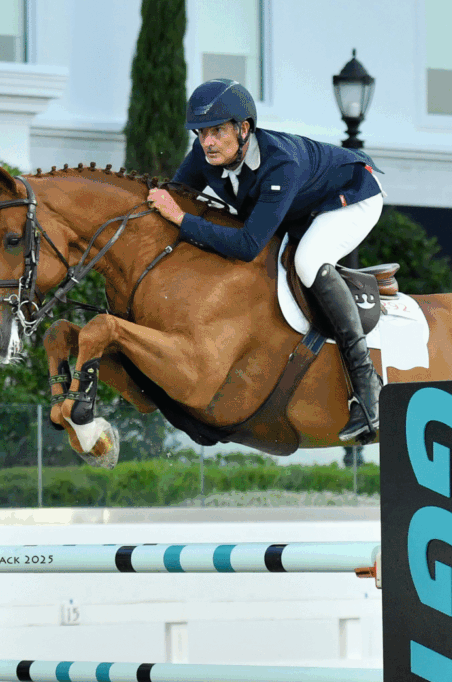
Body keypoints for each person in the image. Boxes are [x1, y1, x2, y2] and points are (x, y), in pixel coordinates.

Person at [145, 79, 385, 444]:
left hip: (353, 195)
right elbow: (174, 199)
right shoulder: (204, 155)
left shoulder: (280, 163)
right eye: (200, 133)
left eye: (216, 131)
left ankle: (368, 390)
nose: (206, 141)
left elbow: (246, 245)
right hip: (301, 208)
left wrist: (181, 220)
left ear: (243, 130)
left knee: (307, 261)